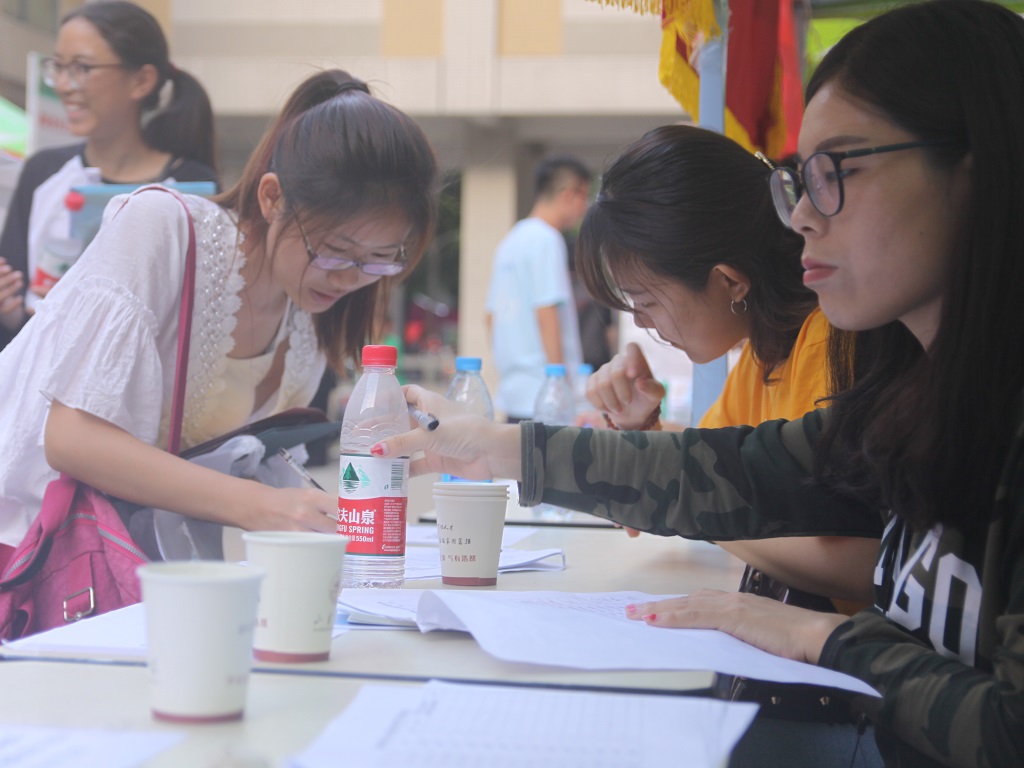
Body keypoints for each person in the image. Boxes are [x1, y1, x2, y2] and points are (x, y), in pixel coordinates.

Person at [373, 2, 1024, 765]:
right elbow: (730, 471)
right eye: (799, 181)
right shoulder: (911, 393)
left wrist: (821, 637)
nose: (802, 217)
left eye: (838, 172)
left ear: (978, 168)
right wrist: (499, 446)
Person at [0, 68, 438, 549]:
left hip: (131, 566)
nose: (350, 278)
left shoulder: (310, 310)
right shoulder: (161, 226)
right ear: (272, 198)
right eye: (335, 251)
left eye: (380, 259)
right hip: (27, 548)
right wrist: (258, 504)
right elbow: (71, 439)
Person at [577, 124, 877, 604]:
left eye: (646, 302)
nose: (641, 322)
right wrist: (643, 435)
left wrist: (674, 495)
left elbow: (855, 562)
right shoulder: (764, 352)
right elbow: (706, 470)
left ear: (729, 281)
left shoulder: (828, 342)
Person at [0, 0, 219, 349]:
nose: (63, 84)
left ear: (142, 80)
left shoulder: (190, 187)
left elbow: (204, 315)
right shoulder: (43, 173)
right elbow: (21, 321)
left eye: (82, 67)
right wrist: (10, 313)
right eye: (58, 67)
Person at [485, 154, 591, 422]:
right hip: (544, 396)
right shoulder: (547, 239)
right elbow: (546, 312)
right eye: (585, 197)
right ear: (569, 195)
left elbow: (490, 317)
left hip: (514, 392)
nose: (585, 207)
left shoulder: (509, 241)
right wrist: (559, 387)